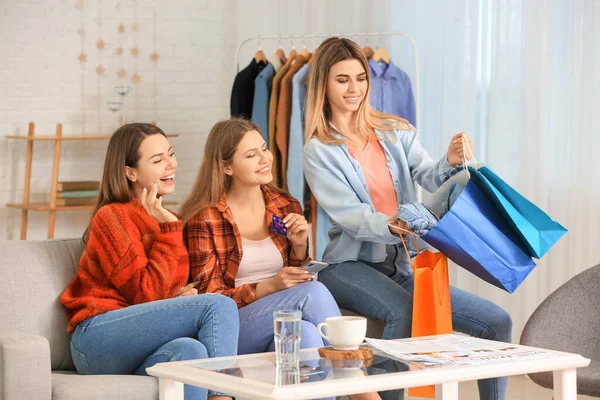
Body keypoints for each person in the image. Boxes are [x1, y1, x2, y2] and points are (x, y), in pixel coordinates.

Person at [302, 37, 512, 400]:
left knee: (497, 322)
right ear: (323, 84)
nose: (355, 88)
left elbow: (429, 176)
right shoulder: (319, 149)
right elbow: (350, 216)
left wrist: (448, 159)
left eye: (360, 77)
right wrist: (391, 224)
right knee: (403, 311)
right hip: (348, 265)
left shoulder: (393, 130)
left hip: (402, 264)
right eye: (342, 80)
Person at [59, 123, 239, 400]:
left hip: (140, 343)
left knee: (192, 352)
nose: (171, 165)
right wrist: (169, 230)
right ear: (130, 172)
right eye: (158, 160)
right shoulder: (112, 218)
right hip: (97, 340)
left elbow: (162, 293)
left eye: (171, 154)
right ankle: (222, 396)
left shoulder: (167, 218)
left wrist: (180, 296)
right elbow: (147, 293)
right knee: (220, 305)